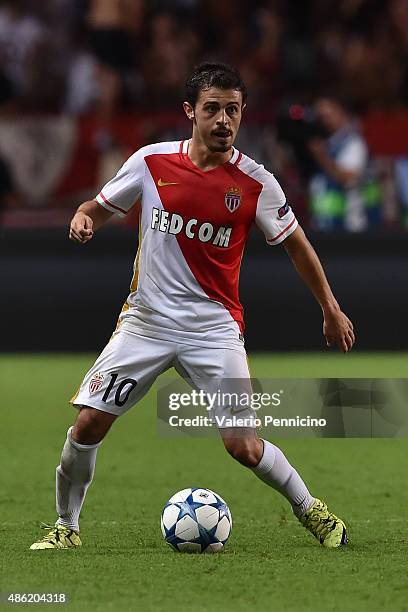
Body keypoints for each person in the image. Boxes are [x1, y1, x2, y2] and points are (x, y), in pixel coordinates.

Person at [30, 63, 355, 551]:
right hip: (145, 324)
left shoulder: (255, 183)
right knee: (88, 423)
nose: (224, 120)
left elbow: (297, 244)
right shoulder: (151, 162)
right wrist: (82, 218)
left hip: (213, 330)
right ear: (190, 112)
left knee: (243, 446)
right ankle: (65, 527)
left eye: (233, 110)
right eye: (213, 109)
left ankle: (312, 511)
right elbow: (95, 207)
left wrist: (330, 308)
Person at [308, 96, 370, 232]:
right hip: (324, 222)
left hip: (348, 224)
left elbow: (348, 176)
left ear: (342, 113)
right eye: (321, 117)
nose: (325, 121)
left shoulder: (353, 143)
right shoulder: (327, 143)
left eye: (329, 115)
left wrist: (321, 156)